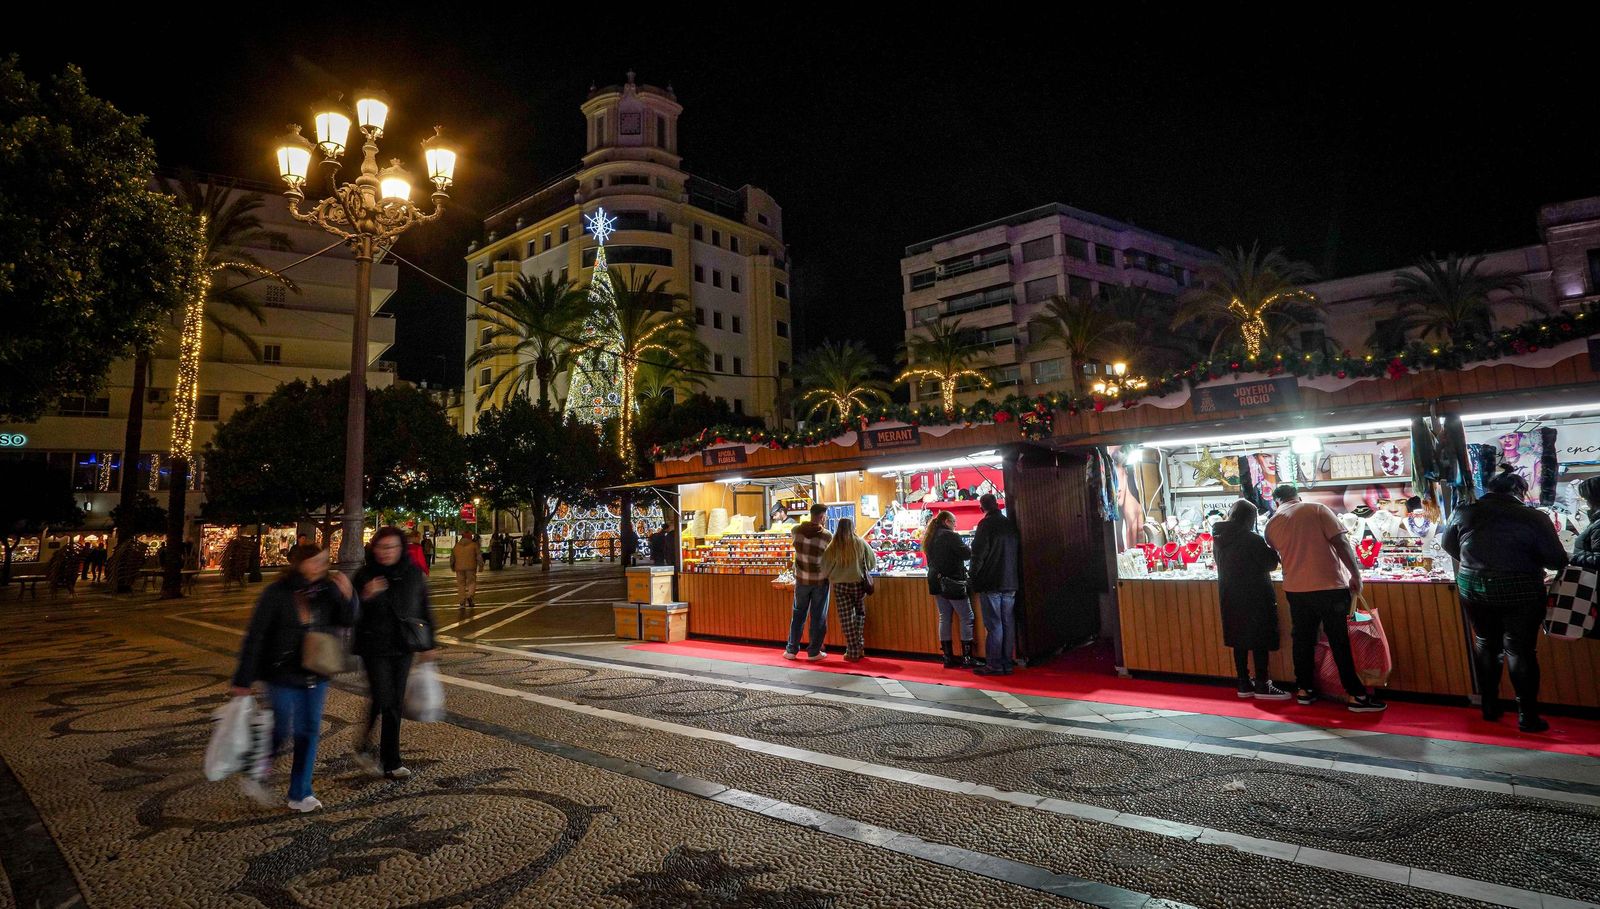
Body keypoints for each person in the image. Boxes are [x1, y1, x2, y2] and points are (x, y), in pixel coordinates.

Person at [229, 543, 356, 811]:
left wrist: (349, 596)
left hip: (316, 669)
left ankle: (300, 793)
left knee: (308, 730)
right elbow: (257, 635)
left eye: (323, 561)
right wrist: (243, 679)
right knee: (281, 728)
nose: (321, 566)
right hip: (281, 671)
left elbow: (348, 620)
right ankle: (258, 768)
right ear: (298, 564)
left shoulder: (328, 590)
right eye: (314, 562)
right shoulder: (276, 593)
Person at [1441, 464, 1568, 732]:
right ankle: (1527, 715)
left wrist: (1473, 562)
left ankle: (1489, 706)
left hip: (1473, 586)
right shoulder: (1533, 517)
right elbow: (1557, 559)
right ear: (1519, 491)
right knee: (1519, 650)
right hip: (1521, 587)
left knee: (1486, 642)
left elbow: (1448, 545)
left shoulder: (1464, 510)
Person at [1264, 484, 1387, 712]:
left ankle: (1304, 690)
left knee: (1302, 640)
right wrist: (1355, 574)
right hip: (1329, 586)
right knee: (1338, 640)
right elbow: (1341, 543)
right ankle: (1355, 694)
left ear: (1276, 502)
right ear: (1297, 496)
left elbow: (1277, 554)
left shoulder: (1271, 524)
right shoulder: (1317, 509)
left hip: (1295, 589)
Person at [352, 526, 437, 779]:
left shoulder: (412, 573)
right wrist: (365, 595)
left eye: (391, 547)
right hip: (373, 646)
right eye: (381, 547)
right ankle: (366, 743)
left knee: (391, 702)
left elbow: (424, 607)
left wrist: (430, 642)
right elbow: (348, 612)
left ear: (402, 548)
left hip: (402, 646)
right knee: (384, 697)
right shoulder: (364, 574)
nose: (386, 552)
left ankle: (391, 760)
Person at [1213, 499, 1290, 699]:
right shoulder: (1252, 539)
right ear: (1250, 518)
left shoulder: (1219, 538)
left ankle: (1243, 683)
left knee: (1238, 639)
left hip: (1229, 593)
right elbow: (1271, 563)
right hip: (1255, 594)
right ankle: (1263, 684)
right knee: (1259, 639)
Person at [969, 493, 1019, 675]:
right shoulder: (1009, 524)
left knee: (995, 624)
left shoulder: (985, 525)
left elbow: (978, 555)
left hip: (991, 582)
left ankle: (994, 665)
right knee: (1008, 623)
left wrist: (972, 577)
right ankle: (1007, 662)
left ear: (982, 508)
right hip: (1010, 581)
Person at [923, 510, 976, 669]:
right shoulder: (951, 536)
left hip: (936, 581)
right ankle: (967, 657)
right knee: (967, 617)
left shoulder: (930, 537)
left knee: (944, 618)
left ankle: (947, 657)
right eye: (954, 523)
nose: (955, 526)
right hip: (953, 581)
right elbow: (967, 554)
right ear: (947, 521)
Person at [820, 517, 877, 662]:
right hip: (858, 583)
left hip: (840, 585)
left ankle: (853, 650)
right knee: (859, 614)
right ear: (853, 527)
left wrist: (832, 575)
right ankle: (858, 647)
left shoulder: (833, 546)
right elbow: (871, 562)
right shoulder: (860, 543)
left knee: (846, 618)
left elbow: (825, 567)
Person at [784, 504, 832, 661]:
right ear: (822, 517)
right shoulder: (826, 536)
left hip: (801, 580)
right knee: (818, 616)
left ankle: (791, 650)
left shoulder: (795, 530)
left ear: (810, 514)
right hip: (819, 581)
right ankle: (814, 652)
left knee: (798, 614)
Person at [1569, 477, 1600, 571]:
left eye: (1586, 498)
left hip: (1592, 581)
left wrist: (1570, 557)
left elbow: (1598, 560)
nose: (1586, 502)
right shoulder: (1596, 521)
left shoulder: (1598, 524)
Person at [451, 533, 481, 609]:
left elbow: (452, 557)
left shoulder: (456, 546)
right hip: (471, 567)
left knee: (461, 584)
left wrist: (452, 566)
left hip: (459, 568)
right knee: (471, 582)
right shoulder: (474, 545)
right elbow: (478, 556)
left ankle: (462, 602)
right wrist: (481, 565)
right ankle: (470, 596)